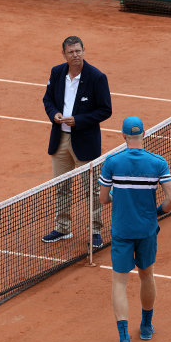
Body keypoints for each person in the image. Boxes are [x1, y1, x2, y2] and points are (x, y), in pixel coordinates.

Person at [99, 116, 171, 342]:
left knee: (119, 283)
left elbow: (103, 198)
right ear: (144, 134)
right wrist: (154, 213)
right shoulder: (158, 163)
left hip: (122, 231)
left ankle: (124, 340)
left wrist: (119, 199)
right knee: (147, 275)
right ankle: (146, 325)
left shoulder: (112, 163)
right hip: (146, 230)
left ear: (123, 136)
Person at [42, 36, 112, 247]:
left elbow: (105, 109)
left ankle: (95, 231)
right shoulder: (57, 72)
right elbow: (47, 99)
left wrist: (78, 121)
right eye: (71, 52)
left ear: (84, 51)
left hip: (85, 142)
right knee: (61, 186)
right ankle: (62, 228)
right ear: (64, 54)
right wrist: (54, 114)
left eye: (78, 51)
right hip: (60, 140)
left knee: (91, 189)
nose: (75, 55)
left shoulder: (96, 77)